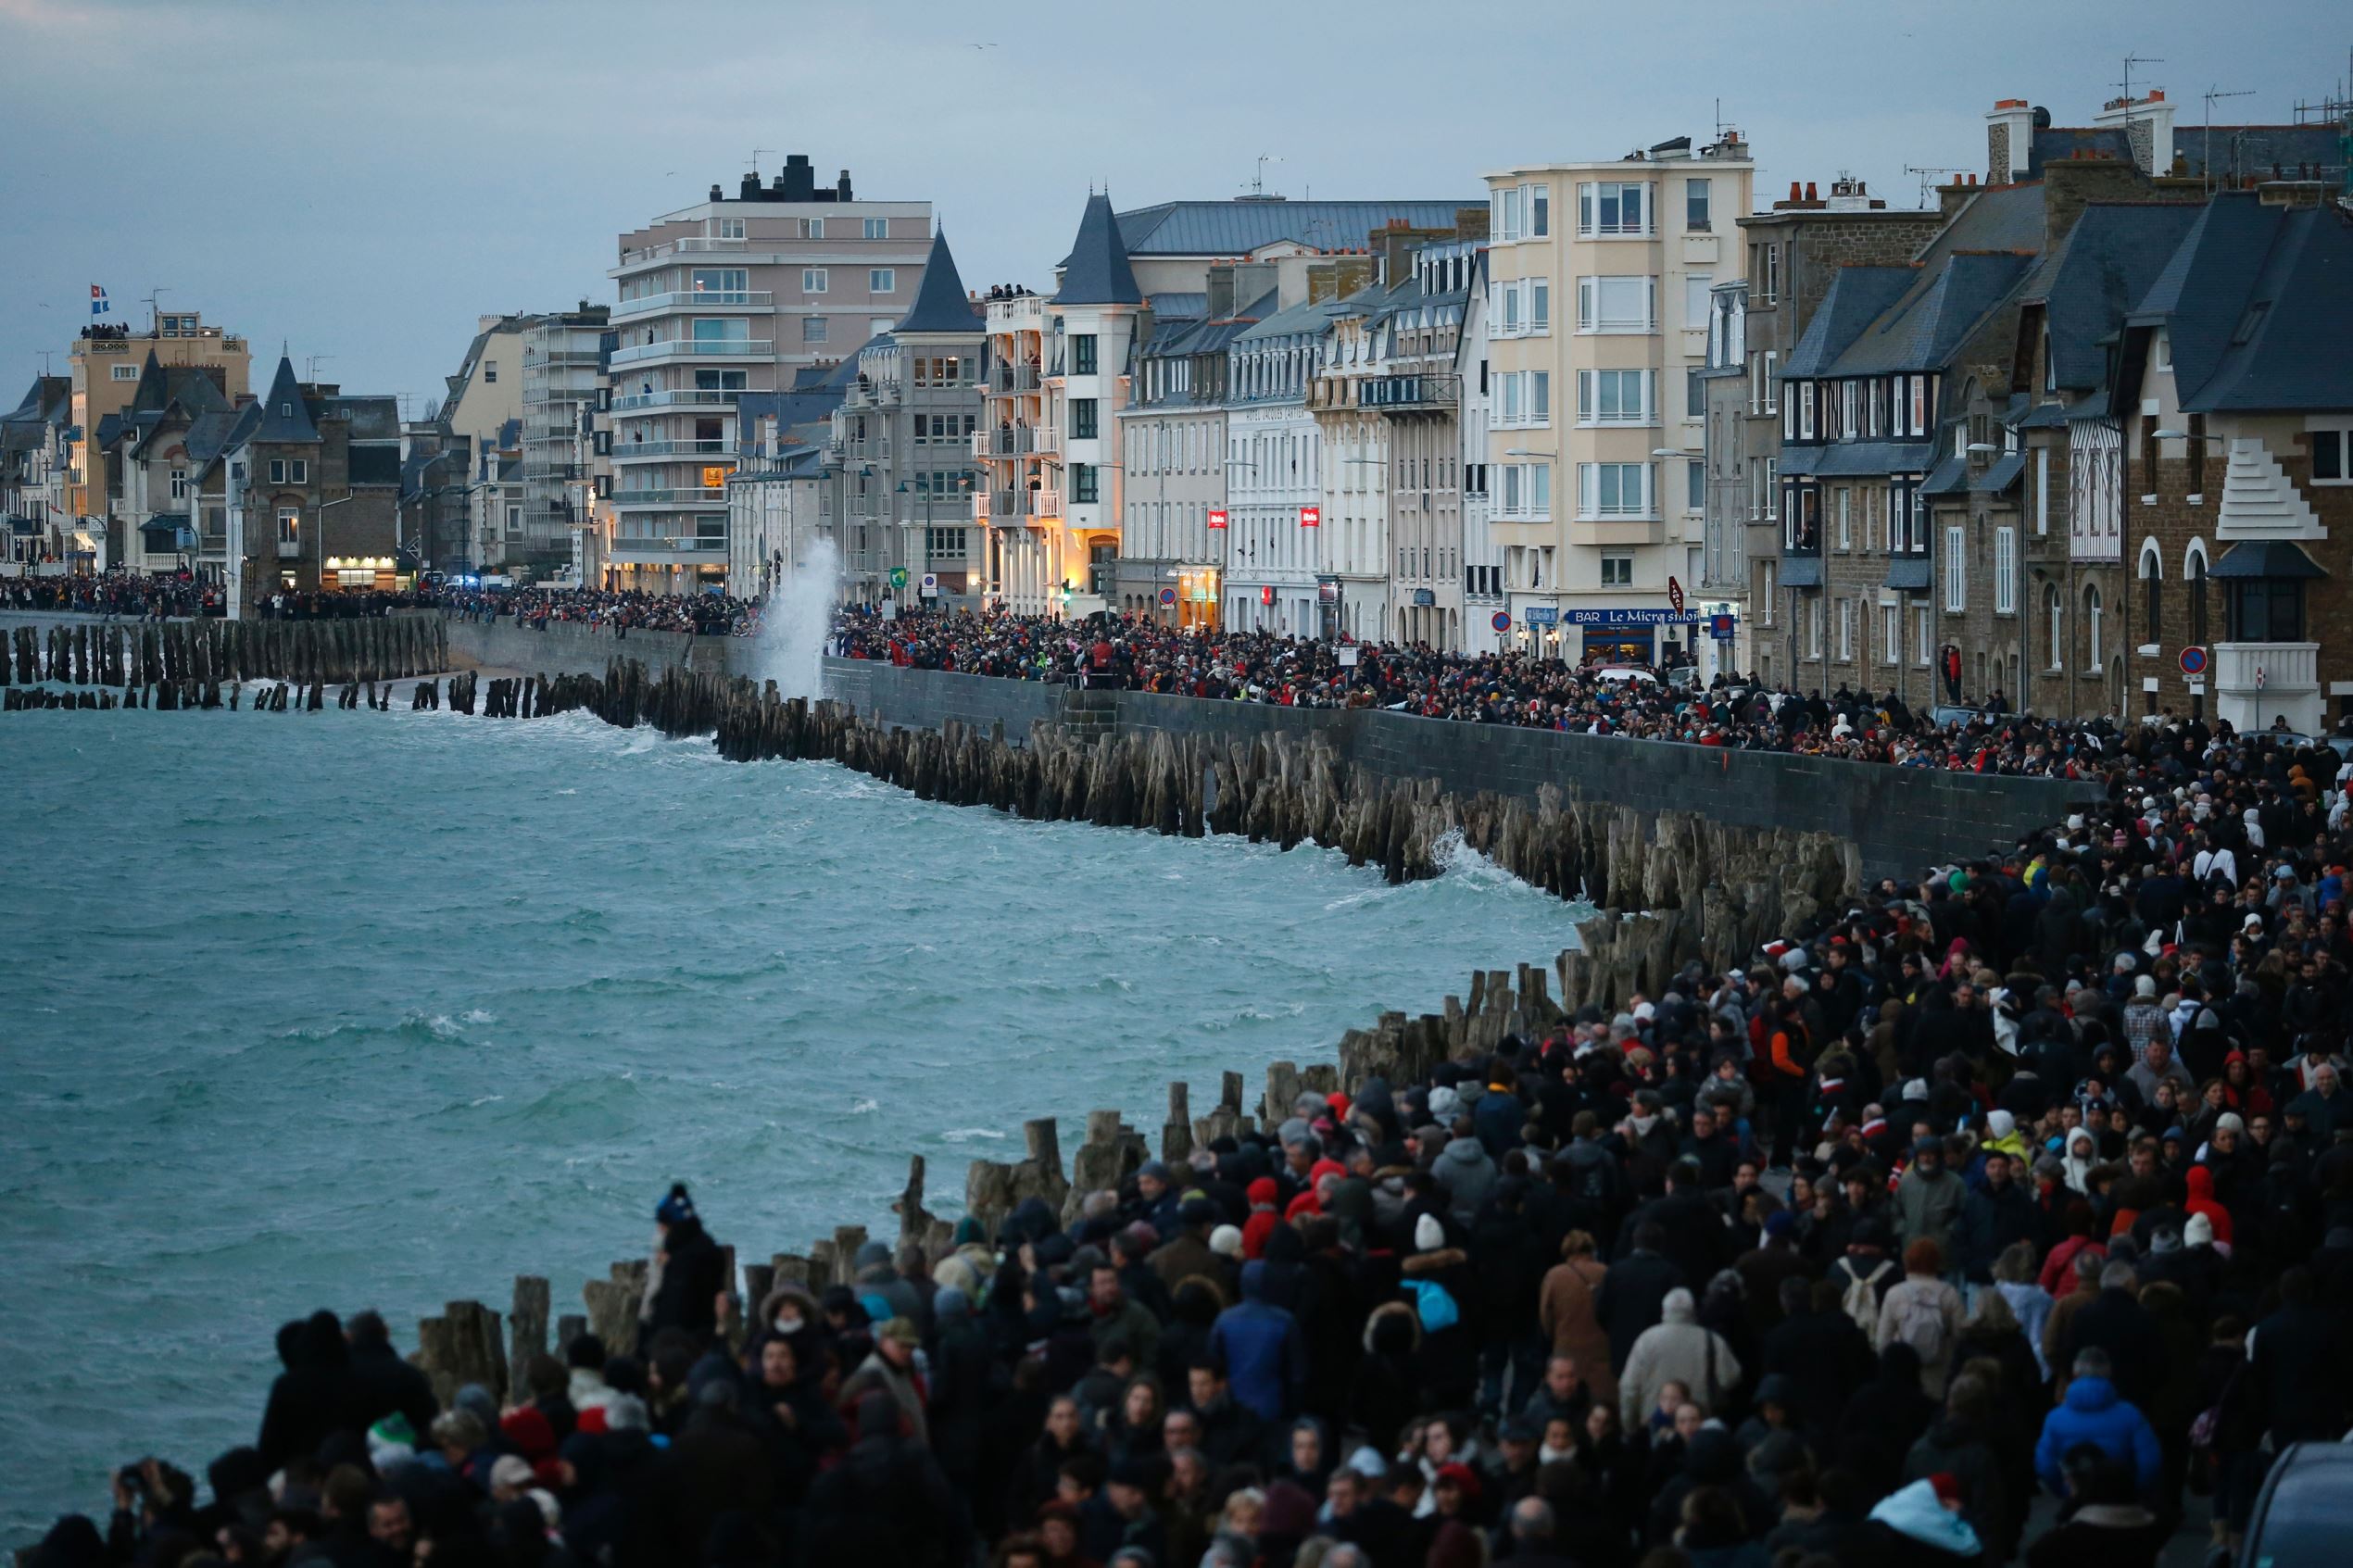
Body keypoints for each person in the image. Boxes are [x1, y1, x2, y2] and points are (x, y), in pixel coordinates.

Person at [2034, 1348, 2160, 1498]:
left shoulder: (2054, 1418)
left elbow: (2045, 1464)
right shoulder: (2131, 1414)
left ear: (2075, 1373)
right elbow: (2150, 1461)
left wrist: (2064, 1491)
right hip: (2120, 1496)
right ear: (2108, 1372)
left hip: (2078, 1495)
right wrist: (2134, 1490)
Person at [1618, 1288, 1742, 1428]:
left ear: (1664, 1310)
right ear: (1693, 1311)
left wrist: (1629, 1426)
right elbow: (1730, 1378)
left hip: (1654, 1422)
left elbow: (1629, 1388)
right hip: (1696, 1423)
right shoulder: (1711, 1340)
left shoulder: (1646, 1340)